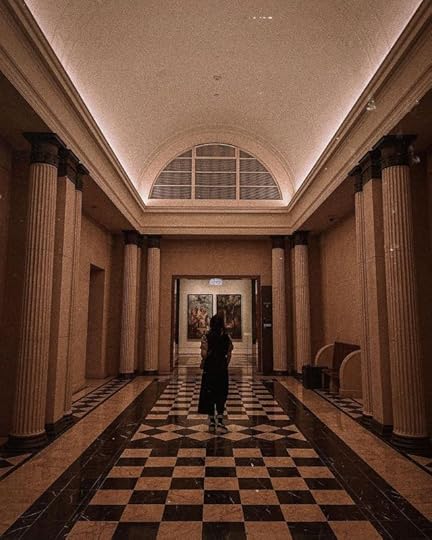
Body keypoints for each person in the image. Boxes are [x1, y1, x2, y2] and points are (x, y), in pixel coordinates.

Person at [198, 314, 233, 430]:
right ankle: (221, 421)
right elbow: (229, 354)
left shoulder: (206, 337)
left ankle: (212, 422)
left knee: (210, 393)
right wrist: (224, 364)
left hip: (209, 368)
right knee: (221, 393)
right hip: (221, 369)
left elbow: (204, 354)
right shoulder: (227, 337)